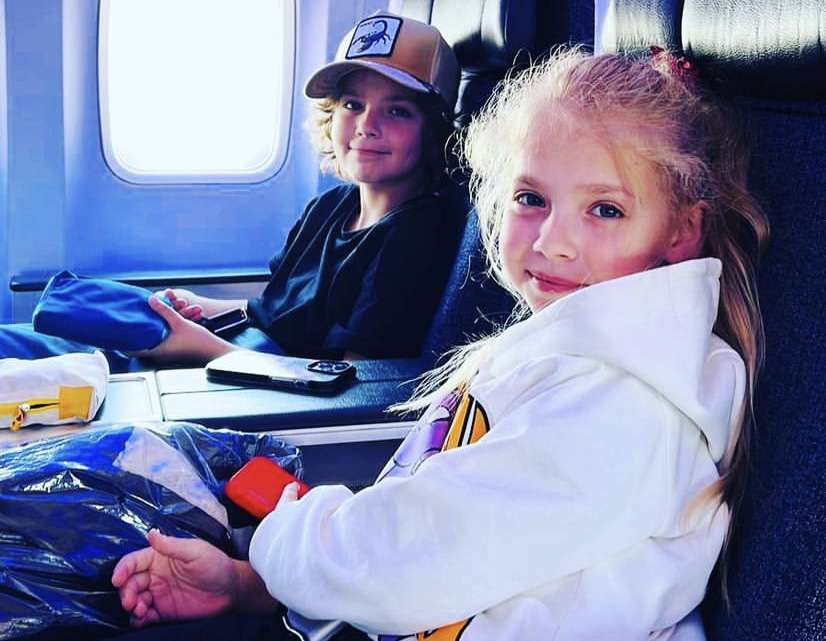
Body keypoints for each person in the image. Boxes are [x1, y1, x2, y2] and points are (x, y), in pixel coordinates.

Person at [109, 48, 769, 640]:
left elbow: (409, 559)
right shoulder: (573, 352)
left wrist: (278, 539)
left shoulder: (624, 410)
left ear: (681, 231)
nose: (552, 241)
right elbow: (440, 544)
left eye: (605, 209)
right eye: (531, 198)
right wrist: (247, 586)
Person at [0, 12, 461, 367]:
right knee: (31, 338)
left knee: (59, 359)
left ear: (434, 131)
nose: (366, 126)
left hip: (252, 380)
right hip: (242, 350)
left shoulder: (414, 239)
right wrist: (199, 306)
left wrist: (199, 346)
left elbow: (352, 384)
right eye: (352, 104)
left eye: (397, 111)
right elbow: (277, 312)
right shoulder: (330, 207)